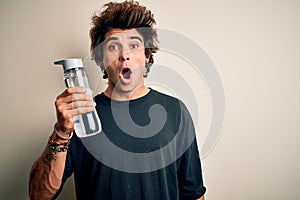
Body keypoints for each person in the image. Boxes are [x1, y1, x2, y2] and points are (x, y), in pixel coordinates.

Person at [29, 1, 206, 199]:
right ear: (100, 59)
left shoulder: (176, 111)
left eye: (134, 45)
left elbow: (193, 194)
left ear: (147, 55)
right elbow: (38, 195)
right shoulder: (81, 117)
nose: (124, 56)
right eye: (113, 46)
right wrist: (61, 133)